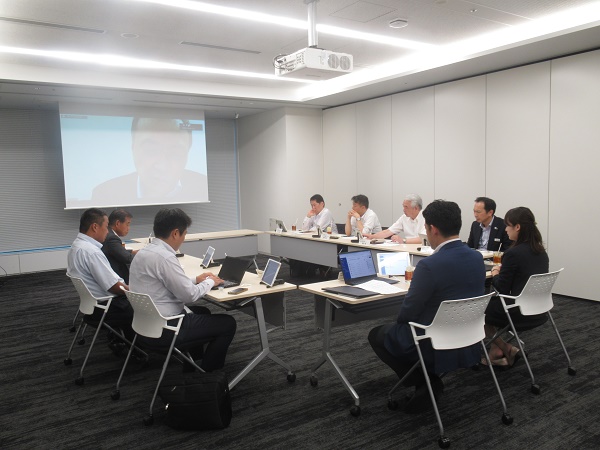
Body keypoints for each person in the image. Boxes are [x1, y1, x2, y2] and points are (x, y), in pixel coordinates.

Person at [368, 200, 485, 413]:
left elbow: (408, 313)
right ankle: (428, 380)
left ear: (433, 229)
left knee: (377, 335)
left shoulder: (429, 265)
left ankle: (426, 381)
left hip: (433, 340)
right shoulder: (477, 258)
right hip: (469, 335)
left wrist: (400, 321)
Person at [129, 208, 236, 371]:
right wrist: (210, 282)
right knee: (228, 323)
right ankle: (209, 374)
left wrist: (196, 279)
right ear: (175, 233)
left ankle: (192, 365)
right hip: (166, 329)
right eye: (184, 234)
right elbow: (189, 295)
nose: (184, 239)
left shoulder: (143, 252)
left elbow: (164, 282)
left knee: (203, 312)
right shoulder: (165, 257)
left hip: (144, 325)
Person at [484, 207, 549, 369]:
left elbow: (502, 288)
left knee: (478, 310)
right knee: (492, 306)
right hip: (539, 309)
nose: (505, 229)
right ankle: (496, 352)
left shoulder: (513, 253)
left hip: (518, 311)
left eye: (508, 225)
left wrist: (495, 272)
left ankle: (506, 348)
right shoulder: (541, 251)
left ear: (517, 227)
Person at [92, 118, 208, 203]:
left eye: (175, 153)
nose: (162, 166)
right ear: (133, 148)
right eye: (151, 150)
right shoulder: (106, 193)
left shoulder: (203, 187)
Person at [67, 208, 134, 335]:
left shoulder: (76, 246)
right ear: (95, 227)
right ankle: (139, 344)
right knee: (150, 307)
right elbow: (114, 287)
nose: (107, 231)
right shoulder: (92, 252)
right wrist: (136, 291)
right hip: (108, 307)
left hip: (93, 305)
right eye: (106, 226)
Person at [101, 209, 138, 284]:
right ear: (117, 223)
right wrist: (144, 255)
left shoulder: (108, 233)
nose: (128, 228)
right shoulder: (112, 238)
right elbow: (128, 258)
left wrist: (132, 252)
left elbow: (114, 251)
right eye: (127, 224)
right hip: (116, 280)